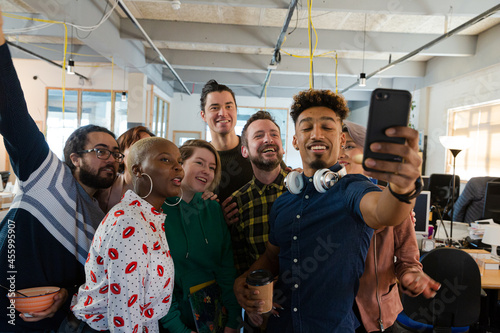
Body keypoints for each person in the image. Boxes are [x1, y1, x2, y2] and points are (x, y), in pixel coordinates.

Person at [234, 89, 436, 332]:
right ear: (295, 140)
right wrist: (244, 279)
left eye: (327, 127)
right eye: (307, 128)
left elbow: (385, 212)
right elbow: (271, 257)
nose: (317, 134)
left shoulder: (352, 189)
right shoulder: (283, 202)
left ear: (341, 140)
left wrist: (402, 186)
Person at [0, 11, 122, 332]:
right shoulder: (48, 176)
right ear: (74, 158)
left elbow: (90, 286)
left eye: (115, 153)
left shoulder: (103, 220)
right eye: (100, 151)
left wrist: (68, 294)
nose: (111, 158)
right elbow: (13, 114)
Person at [72, 137, 182, 333]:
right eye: (166, 160)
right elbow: (124, 313)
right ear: (138, 170)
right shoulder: (129, 223)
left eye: (180, 162)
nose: (178, 168)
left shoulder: (148, 216)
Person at [340, 121, 439, 333]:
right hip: (333, 314)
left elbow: (408, 261)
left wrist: (412, 276)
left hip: (375, 313)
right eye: (337, 146)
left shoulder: (392, 201)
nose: (342, 153)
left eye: (348, 146)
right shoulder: (322, 200)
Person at [159, 139, 240, 333]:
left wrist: (233, 320)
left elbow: (226, 269)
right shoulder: (158, 211)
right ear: (180, 164)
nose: (207, 171)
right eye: (199, 163)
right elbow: (156, 282)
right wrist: (177, 328)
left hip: (213, 318)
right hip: (170, 321)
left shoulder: (213, 208)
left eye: (212, 167)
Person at [230, 111, 287, 276]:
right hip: (259, 295)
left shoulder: (303, 189)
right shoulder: (237, 203)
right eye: (258, 136)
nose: (268, 139)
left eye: (274, 134)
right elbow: (240, 263)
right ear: (245, 151)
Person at [200, 79, 253, 203]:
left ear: (235, 110)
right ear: (203, 115)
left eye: (228, 106)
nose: (223, 113)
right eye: (214, 107)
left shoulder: (253, 150)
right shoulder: (200, 159)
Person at [95, 125, 154, 213]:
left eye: (151, 148)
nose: (146, 152)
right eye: (138, 146)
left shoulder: (160, 189)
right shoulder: (105, 187)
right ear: (120, 156)